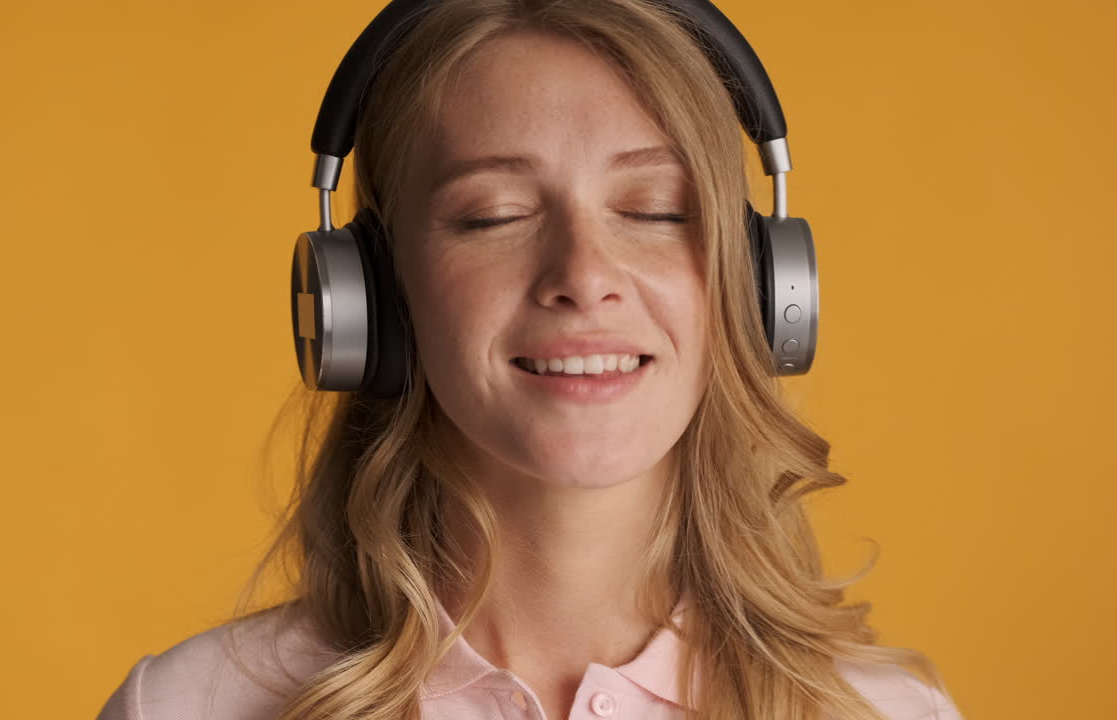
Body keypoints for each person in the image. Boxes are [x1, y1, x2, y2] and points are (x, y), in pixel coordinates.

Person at [96, 1, 964, 718]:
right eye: (494, 216)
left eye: (657, 209)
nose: (583, 278)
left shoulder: (887, 713)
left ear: (758, 286)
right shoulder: (185, 707)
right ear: (373, 296)